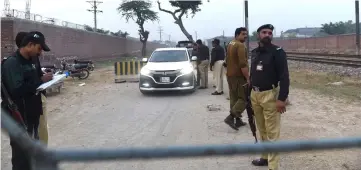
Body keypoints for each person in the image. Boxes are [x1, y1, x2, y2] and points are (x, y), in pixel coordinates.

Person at [2, 31, 52, 170]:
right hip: (18, 117)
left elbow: (36, 80)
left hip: (33, 113)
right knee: (21, 157)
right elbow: (17, 90)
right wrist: (40, 80)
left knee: (33, 151)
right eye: (39, 48)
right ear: (30, 45)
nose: (40, 52)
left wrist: (46, 78)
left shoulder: (33, 60)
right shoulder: (12, 63)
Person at [249, 24, 290, 170]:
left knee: (272, 133)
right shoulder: (254, 52)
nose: (267, 34)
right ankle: (265, 158)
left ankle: (273, 167)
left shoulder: (277, 52)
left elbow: (284, 77)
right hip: (255, 95)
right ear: (258, 34)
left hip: (270, 96)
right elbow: (253, 73)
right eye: (264, 32)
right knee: (262, 129)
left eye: (270, 33)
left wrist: (281, 99)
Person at [223, 27, 249, 130]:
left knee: (234, 98)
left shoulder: (231, 44)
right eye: (243, 34)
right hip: (239, 76)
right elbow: (243, 64)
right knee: (244, 98)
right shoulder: (240, 45)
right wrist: (247, 77)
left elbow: (226, 61)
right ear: (237, 35)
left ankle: (238, 121)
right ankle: (230, 117)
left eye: (246, 34)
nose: (245, 36)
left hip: (230, 76)